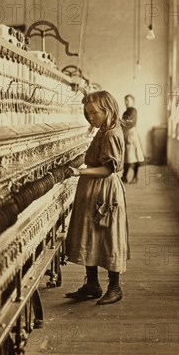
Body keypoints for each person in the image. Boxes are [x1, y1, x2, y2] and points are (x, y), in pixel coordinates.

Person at [64, 91, 130, 305]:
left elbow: (107, 170)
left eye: (94, 112)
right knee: (89, 234)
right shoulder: (104, 130)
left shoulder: (111, 134)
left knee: (108, 236)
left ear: (107, 110)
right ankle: (92, 284)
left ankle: (115, 287)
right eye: (87, 113)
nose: (90, 117)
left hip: (104, 190)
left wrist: (79, 172)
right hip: (93, 190)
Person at [121, 94, 145, 184]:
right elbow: (124, 123)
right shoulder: (125, 112)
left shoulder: (133, 111)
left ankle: (135, 177)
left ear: (133, 102)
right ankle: (124, 176)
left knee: (134, 156)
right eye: (125, 100)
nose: (126, 102)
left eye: (128, 100)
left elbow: (129, 122)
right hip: (127, 134)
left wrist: (121, 122)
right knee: (127, 156)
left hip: (132, 134)